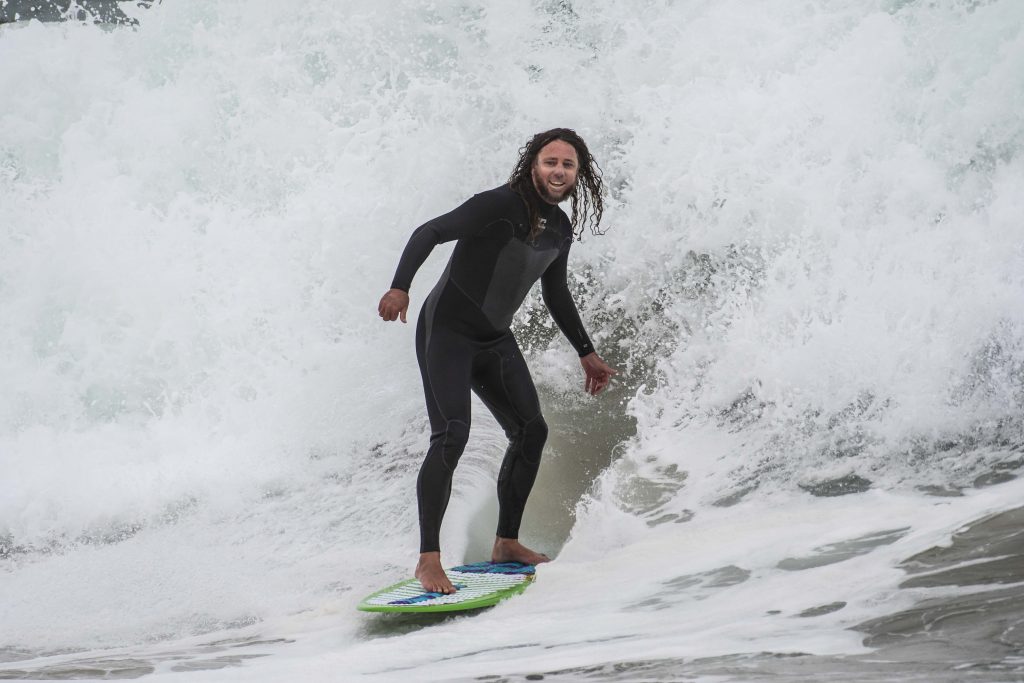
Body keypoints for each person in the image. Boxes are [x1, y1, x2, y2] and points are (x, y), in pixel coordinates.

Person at [377, 128, 617, 594]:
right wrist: (400, 285)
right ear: (533, 165)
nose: (558, 172)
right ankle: (428, 560)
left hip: (493, 339)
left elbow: (556, 291)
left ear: (578, 174)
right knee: (452, 435)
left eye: (568, 165)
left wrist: (586, 352)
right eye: (551, 162)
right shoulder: (495, 205)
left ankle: (506, 542)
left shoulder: (560, 229)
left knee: (532, 430)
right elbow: (430, 231)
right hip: (447, 333)